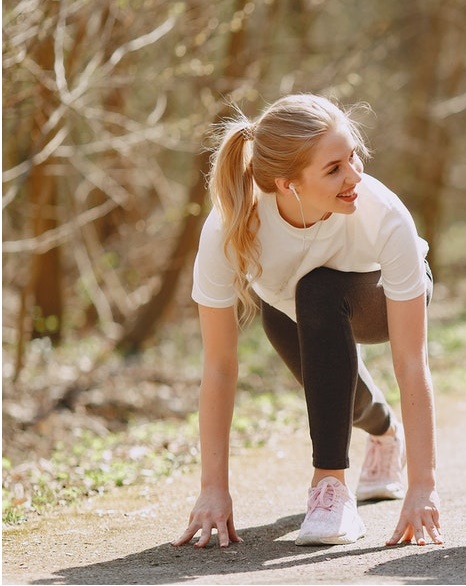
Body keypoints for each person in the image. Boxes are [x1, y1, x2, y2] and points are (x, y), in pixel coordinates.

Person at [171, 94, 443, 548]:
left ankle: (330, 490)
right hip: (293, 309)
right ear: (287, 184)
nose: (355, 174)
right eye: (333, 168)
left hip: (379, 297)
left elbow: (412, 362)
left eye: (353, 156)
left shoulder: (384, 213)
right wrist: (212, 489)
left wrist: (423, 487)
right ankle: (384, 433)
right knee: (335, 390)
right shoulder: (230, 228)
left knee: (318, 290)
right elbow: (218, 367)